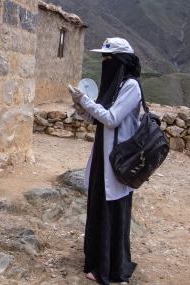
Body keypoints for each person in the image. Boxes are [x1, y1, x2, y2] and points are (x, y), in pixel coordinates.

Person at [69, 38, 142, 284]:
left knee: (113, 212)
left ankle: (111, 268)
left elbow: (111, 118)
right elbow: (96, 120)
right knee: (99, 207)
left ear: (120, 61)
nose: (104, 63)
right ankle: (95, 262)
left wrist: (85, 102)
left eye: (108, 59)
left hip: (118, 163)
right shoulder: (115, 86)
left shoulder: (131, 86)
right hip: (103, 158)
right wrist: (80, 106)